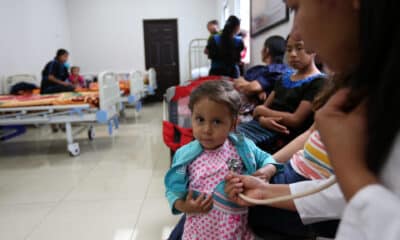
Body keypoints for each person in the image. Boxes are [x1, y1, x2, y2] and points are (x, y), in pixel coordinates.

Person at [226, 0, 400, 239]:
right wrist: (266, 185)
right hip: (296, 177)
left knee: (223, 205)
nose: (298, 33)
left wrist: (351, 170)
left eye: (296, 8)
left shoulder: (324, 86)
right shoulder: (359, 89)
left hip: (304, 184)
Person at [164, 80, 282, 240]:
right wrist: (184, 205)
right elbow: (173, 189)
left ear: (233, 124)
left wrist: (265, 172)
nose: (206, 129)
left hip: (235, 232)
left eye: (217, 122)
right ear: (191, 117)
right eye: (200, 119)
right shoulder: (185, 156)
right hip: (198, 232)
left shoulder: (242, 147)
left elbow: (268, 159)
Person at [237, 35, 326, 151]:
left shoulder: (318, 81)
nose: (293, 54)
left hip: (283, 136)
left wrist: (262, 112)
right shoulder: (283, 77)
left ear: (313, 50)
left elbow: (296, 120)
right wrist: (262, 120)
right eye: (289, 50)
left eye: (299, 48)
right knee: (225, 136)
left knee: (235, 146)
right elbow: (259, 112)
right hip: (261, 126)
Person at [234, 35, 291, 102]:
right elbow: (238, 82)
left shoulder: (278, 70)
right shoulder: (258, 69)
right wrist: (258, 91)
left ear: (266, 50)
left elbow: (252, 88)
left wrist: (254, 89)